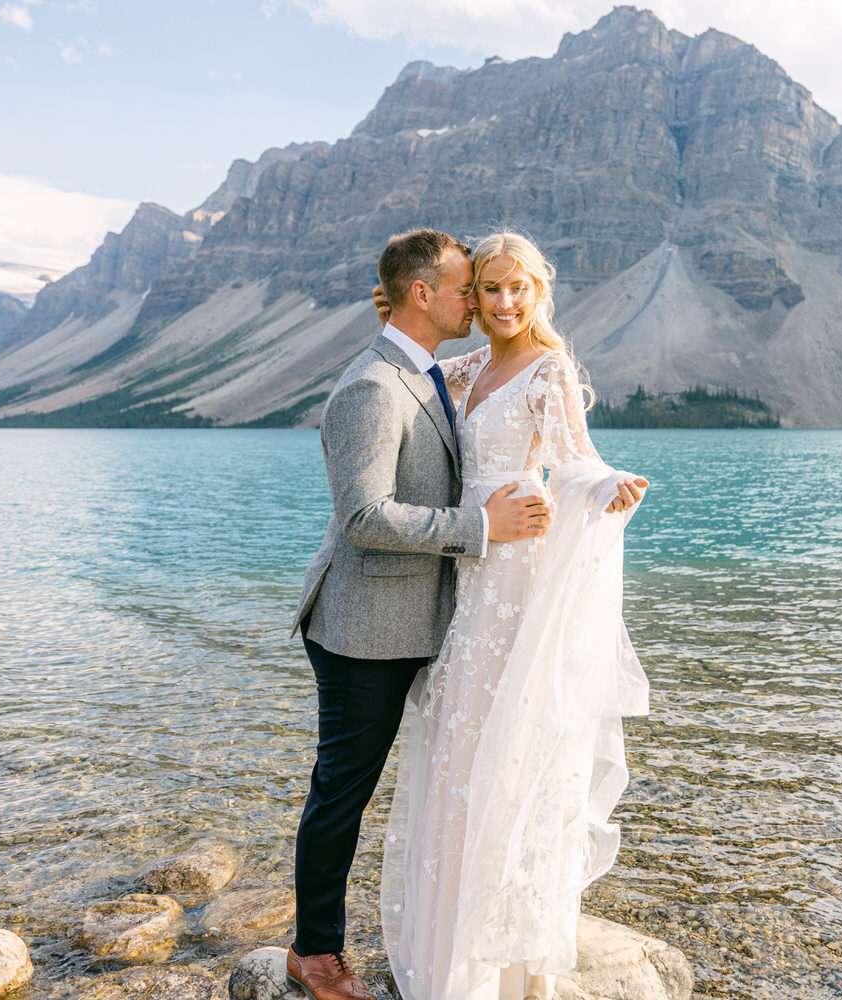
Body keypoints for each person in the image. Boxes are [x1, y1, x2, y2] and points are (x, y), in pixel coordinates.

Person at [287, 229, 557, 1000]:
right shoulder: (372, 386)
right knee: (344, 787)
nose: (479, 301)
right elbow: (366, 516)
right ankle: (314, 955)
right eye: (465, 288)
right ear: (424, 295)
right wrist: (482, 531)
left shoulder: (429, 366)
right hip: (364, 627)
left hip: (430, 619)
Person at [380, 232, 650, 1000]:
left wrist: (607, 489)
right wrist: (392, 306)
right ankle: (452, 950)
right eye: (488, 290)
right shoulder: (467, 368)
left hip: (514, 580)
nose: (502, 304)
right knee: (457, 756)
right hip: (466, 575)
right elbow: (414, 369)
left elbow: (573, 458)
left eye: (516, 290)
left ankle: (509, 967)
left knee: (512, 754)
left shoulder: (547, 365)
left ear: (538, 291)